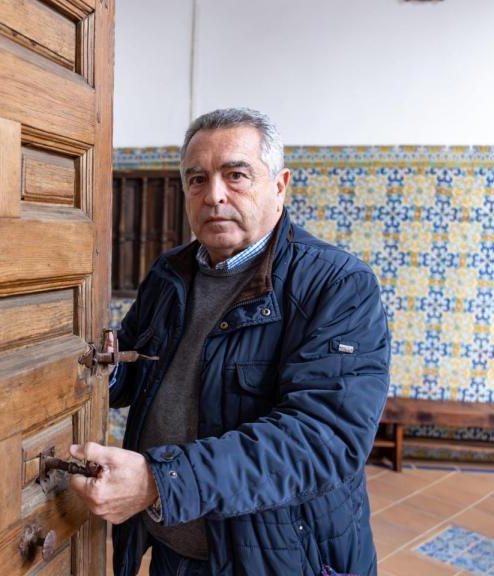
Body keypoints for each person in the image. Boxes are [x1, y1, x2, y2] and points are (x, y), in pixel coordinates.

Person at [68, 108, 390, 576]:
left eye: (235, 175)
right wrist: (105, 365)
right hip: (172, 546)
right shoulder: (170, 272)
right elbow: (137, 375)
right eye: (197, 180)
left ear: (279, 186)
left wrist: (161, 481)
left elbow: (324, 439)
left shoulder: (337, 285)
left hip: (275, 558)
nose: (214, 195)